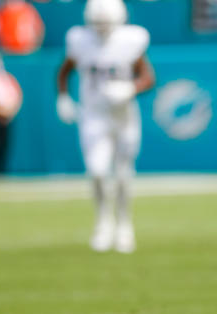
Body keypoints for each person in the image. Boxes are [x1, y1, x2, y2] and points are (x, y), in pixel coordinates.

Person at [56, 0, 155, 253]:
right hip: (93, 115)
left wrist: (130, 88)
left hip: (123, 116)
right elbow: (64, 71)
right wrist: (64, 97)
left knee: (123, 175)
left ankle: (124, 225)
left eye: (106, 23)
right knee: (97, 171)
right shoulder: (79, 39)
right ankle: (103, 222)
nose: (102, 28)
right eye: (97, 23)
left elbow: (148, 77)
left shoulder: (131, 39)